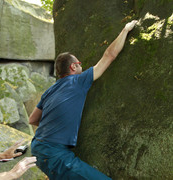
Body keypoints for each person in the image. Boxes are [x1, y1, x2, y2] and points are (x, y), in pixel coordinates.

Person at [29, 20, 137, 180]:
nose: (82, 66)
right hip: (54, 153)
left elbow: (32, 119)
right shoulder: (78, 81)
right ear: (73, 67)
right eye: (79, 64)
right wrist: (125, 30)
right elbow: (109, 55)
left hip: (37, 147)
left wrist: (57, 125)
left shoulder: (49, 91)